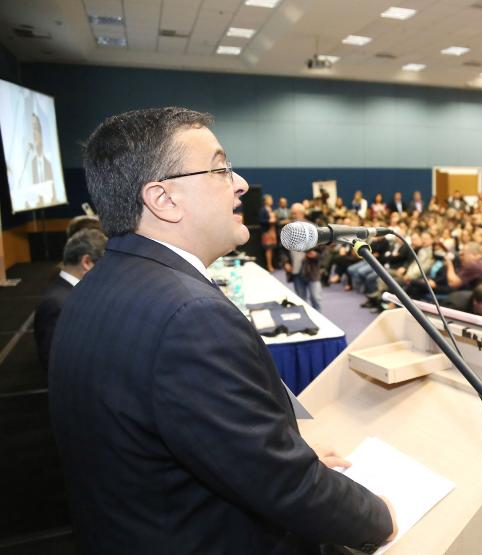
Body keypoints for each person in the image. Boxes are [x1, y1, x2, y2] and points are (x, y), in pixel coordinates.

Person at [49, 107, 395, 554]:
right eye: (219, 168)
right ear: (163, 199)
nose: (241, 183)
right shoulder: (191, 317)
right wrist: (379, 518)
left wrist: (279, 450)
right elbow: (282, 484)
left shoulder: (95, 285)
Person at [34, 228, 107, 371]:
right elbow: (53, 360)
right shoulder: (55, 303)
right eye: (104, 265)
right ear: (86, 262)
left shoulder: (68, 293)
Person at [260, 193, 277, 272]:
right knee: (268, 249)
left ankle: (272, 264)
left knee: (272, 248)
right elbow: (261, 221)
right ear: (265, 201)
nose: (271, 201)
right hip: (267, 232)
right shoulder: (263, 210)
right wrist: (269, 221)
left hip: (272, 231)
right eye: (270, 199)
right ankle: (269, 265)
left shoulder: (270, 209)